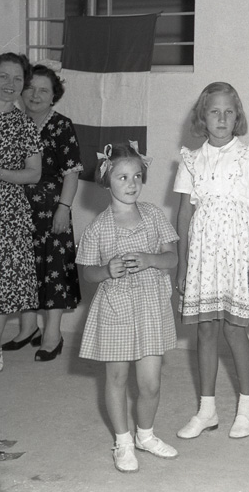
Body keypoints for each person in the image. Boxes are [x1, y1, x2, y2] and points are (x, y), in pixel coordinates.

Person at [174, 82, 249, 440]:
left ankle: (248, 406)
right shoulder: (191, 159)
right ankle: (207, 409)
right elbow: (184, 214)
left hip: (238, 253)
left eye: (229, 112)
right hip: (203, 255)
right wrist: (183, 264)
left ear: (237, 116)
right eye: (214, 111)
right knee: (205, 329)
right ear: (203, 116)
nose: (222, 118)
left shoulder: (248, 155)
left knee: (234, 328)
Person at [77, 141, 179, 474]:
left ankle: (145, 435)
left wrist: (150, 259)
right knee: (117, 378)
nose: (132, 183)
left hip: (150, 307)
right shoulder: (97, 227)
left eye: (137, 176)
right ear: (106, 181)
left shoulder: (153, 215)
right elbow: (87, 273)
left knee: (150, 383)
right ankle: (123, 441)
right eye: (122, 177)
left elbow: (172, 258)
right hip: (115, 309)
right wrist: (106, 270)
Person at [1, 65, 83, 361]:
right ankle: (27, 328)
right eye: (30, 88)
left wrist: (64, 208)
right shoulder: (11, 121)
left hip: (51, 210)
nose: (35, 95)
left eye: (43, 90)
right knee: (24, 268)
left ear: (53, 96)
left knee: (53, 270)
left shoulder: (61, 126)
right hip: (15, 210)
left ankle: (52, 334)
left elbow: (72, 173)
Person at [0, 53, 42, 374]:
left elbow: (34, 173)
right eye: (3, 76)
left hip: (7, 212)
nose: (10, 84)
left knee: (2, 278)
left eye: (18, 78)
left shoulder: (25, 125)